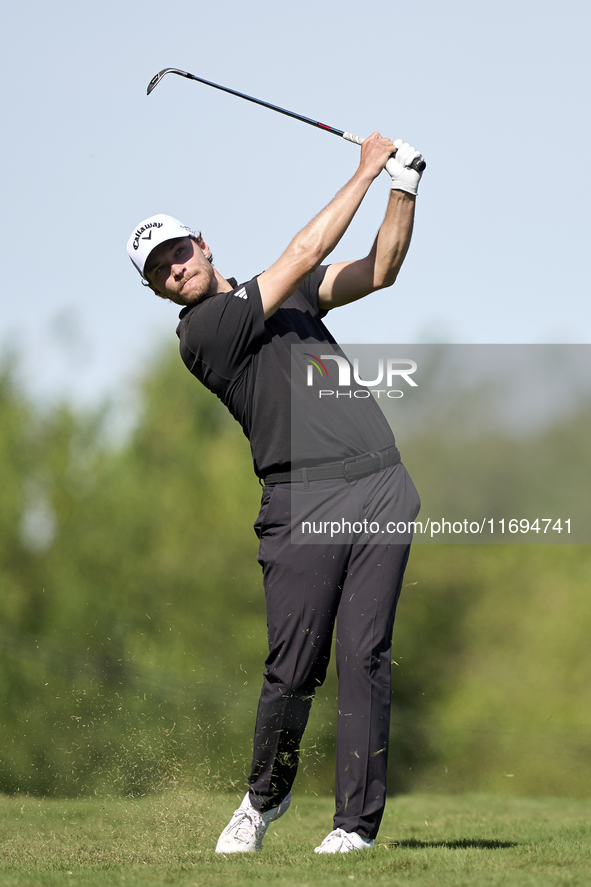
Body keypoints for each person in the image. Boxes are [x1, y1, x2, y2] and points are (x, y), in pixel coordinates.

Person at [126, 133, 424, 854]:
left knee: (365, 656)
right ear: (159, 288)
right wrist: (362, 168)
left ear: (202, 243)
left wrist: (402, 185)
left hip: (379, 483)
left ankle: (352, 825)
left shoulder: (282, 293)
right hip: (300, 504)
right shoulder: (204, 331)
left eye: (178, 252)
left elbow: (378, 270)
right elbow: (296, 253)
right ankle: (263, 796)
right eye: (160, 271)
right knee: (294, 666)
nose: (175, 270)